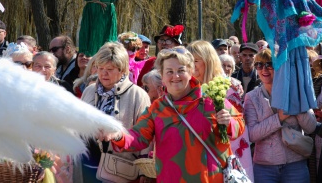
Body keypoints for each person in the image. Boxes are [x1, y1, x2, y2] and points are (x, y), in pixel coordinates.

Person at [100, 47, 245, 182]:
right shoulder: (157, 108)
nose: (175, 76)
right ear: (162, 76)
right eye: (169, 71)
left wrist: (229, 123)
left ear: (191, 72)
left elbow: (239, 124)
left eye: (181, 70)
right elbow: (138, 137)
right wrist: (118, 136)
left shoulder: (211, 101)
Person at [80, 42, 151, 182]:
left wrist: (144, 170)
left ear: (122, 69)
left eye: (110, 69)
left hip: (120, 169)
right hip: (87, 163)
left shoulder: (138, 95)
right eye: (100, 68)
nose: (103, 73)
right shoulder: (89, 90)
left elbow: (146, 135)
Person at [244, 48, 317, 183]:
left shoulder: (296, 90)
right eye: (259, 65)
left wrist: (296, 105)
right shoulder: (251, 97)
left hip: (295, 164)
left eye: (269, 64)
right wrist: (279, 118)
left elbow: (311, 127)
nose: (264, 69)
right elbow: (252, 134)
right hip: (264, 167)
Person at [188, 40, 253, 181]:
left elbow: (240, 126)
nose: (190, 66)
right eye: (188, 61)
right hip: (188, 163)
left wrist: (228, 123)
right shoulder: (183, 89)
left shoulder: (226, 88)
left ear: (208, 62)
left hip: (215, 164)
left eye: (196, 60)